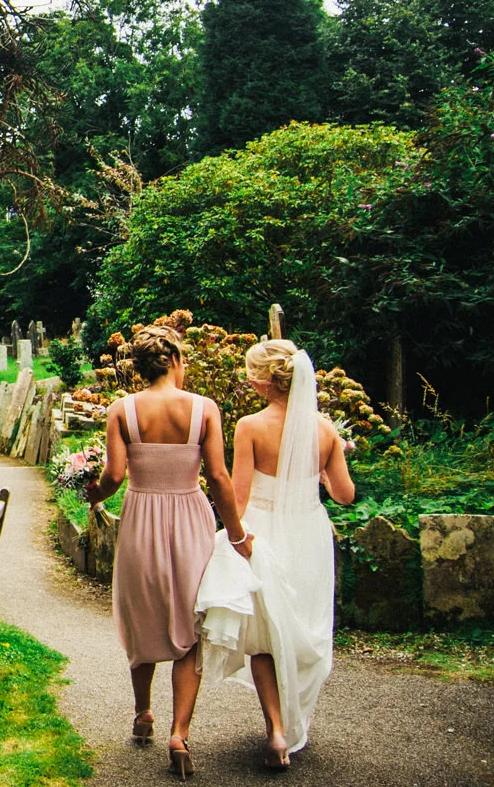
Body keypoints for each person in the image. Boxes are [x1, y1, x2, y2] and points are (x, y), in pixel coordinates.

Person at [87, 325, 251, 780]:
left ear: (138, 367)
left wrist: (92, 494)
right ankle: (180, 732)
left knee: (142, 618)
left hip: (142, 521)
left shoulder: (123, 409)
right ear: (176, 361)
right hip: (191, 522)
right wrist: (237, 537)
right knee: (190, 624)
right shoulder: (205, 409)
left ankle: (143, 714)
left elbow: (114, 476)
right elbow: (218, 478)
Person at [195, 340, 355, 769]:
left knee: (266, 635)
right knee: (306, 625)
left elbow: (240, 496)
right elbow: (345, 495)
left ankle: (277, 731)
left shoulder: (249, 425)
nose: (248, 380)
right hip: (309, 533)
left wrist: (232, 539)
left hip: (264, 533)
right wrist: (321, 469)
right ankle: (294, 718)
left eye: (252, 373)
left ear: (267, 382)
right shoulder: (324, 431)